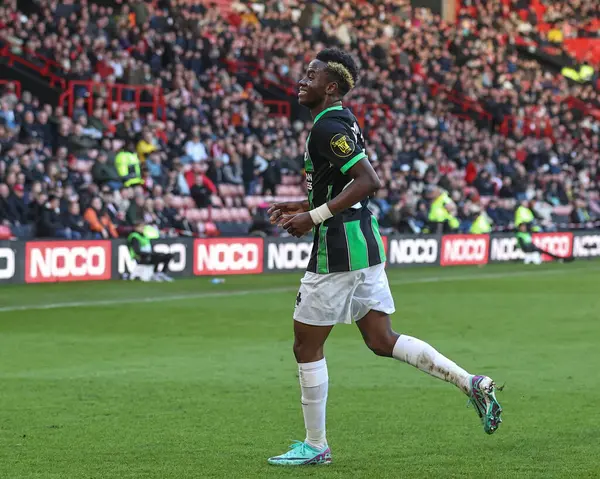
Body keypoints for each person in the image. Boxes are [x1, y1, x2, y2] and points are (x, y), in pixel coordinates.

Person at [266, 48, 502, 467]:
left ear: (331, 86)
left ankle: (316, 444)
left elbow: (367, 181)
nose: (303, 80)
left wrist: (312, 216)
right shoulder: (339, 121)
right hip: (363, 242)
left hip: (338, 247)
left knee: (306, 344)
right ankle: (471, 383)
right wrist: (298, 204)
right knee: (380, 340)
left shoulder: (328, 127)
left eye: (312, 75)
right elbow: (338, 181)